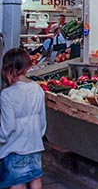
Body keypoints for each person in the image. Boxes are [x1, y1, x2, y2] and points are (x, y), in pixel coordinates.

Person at [0, 48, 46, 189]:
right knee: (35, 180)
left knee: (17, 183)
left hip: (15, 148)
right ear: (27, 66)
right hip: (35, 145)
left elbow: (8, 127)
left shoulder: (7, 94)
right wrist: (38, 137)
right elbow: (42, 121)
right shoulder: (37, 89)